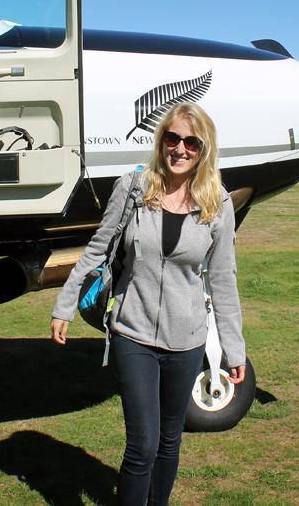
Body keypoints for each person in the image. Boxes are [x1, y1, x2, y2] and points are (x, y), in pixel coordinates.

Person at [50, 102, 245, 506]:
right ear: (162, 141)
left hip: (187, 338)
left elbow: (223, 279)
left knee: (170, 440)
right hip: (132, 332)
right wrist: (64, 304)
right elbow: (97, 250)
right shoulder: (134, 187)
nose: (180, 149)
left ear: (204, 148)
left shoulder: (217, 203)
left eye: (191, 142)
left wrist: (233, 347)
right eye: (172, 138)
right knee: (142, 444)